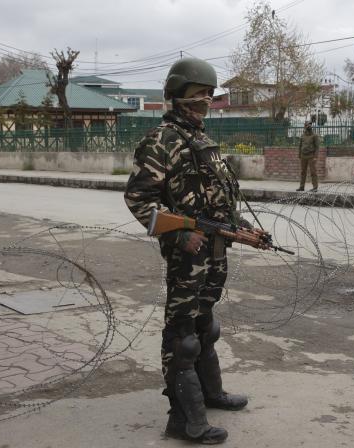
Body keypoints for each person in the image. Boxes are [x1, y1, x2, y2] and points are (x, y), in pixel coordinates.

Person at [124, 57, 248, 445]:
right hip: (187, 256)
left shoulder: (203, 142)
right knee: (182, 336)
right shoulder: (160, 141)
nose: (204, 103)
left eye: (208, 96)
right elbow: (139, 199)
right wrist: (178, 237)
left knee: (205, 324)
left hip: (215, 250)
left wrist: (239, 226)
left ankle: (210, 394)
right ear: (176, 96)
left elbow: (220, 197)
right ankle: (183, 419)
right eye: (197, 96)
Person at [296, 120, 319, 192]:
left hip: (311, 156)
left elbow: (317, 147)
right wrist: (299, 155)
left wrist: (315, 157)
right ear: (305, 126)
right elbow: (300, 146)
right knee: (303, 172)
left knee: (313, 172)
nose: (309, 126)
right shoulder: (302, 135)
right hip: (303, 156)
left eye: (310, 124)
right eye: (308, 124)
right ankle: (301, 187)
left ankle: (315, 187)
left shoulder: (314, 136)